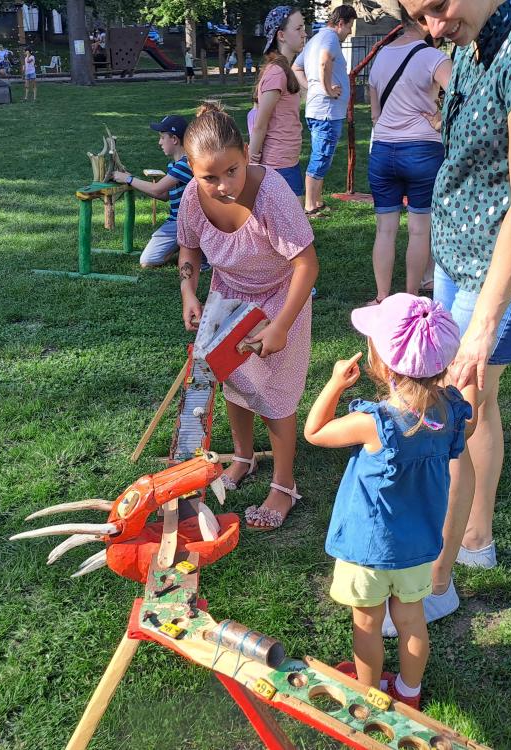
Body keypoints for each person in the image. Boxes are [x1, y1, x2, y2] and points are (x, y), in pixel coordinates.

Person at [387, 0, 511, 629]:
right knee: (478, 405)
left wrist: (481, 327)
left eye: (437, 7)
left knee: (452, 413)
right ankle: (475, 539)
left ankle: (435, 584)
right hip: (461, 258)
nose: (433, 27)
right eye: (419, 17)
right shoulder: (470, 44)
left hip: (508, 272)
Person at [304, 294, 475, 709]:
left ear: (380, 365)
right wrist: (469, 381)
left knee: (367, 624)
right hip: (418, 548)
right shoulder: (451, 415)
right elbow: (470, 425)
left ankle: (369, 697)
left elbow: (314, 431)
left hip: (368, 550)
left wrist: (335, 383)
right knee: (412, 620)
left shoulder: (373, 423)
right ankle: (409, 693)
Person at [177, 101, 319, 531]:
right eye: (210, 177)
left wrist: (281, 326)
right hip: (227, 295)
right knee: (233, 378)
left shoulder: (272, 195)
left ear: (246, 154)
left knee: (274, 392)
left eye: (232, 171)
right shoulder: (192, 197)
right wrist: (188, 291)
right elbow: (189, 249)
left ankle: (284, 484)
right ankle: (243, 457)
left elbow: (306, 264)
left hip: (280, 298)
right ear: (191, 169)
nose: (223, 186)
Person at [365, 9, 450, 303]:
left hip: (383, 150)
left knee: (384, 230)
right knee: (419, 229)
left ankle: (381, 297)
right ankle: (412, 296)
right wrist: (439, 119)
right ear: (426, 19)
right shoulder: (433, 57)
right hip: (422, 151)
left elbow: (374, 113)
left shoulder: (381, 56)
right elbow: (462, 95)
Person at [292, 4, 357, 218]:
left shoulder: (315, 39)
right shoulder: (330, 38)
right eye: (350, 26)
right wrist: (327, 89)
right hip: (326, 112)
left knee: (323, 155)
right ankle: (310, 206)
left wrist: (312, 87)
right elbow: (324, 61)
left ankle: (317, 201)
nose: (350, 32)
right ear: (341, 23)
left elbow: (296, 67)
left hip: (319, 110)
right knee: (320, 157)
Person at [112, 115, 194, 268]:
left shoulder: (184, 164)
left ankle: (188, 247)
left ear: (174, 139)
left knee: (148, 261)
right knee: (148, 259)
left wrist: (128, 179)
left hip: (185, 223)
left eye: (162, 137)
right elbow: (164, 195)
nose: (159, 142)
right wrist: (132, 181)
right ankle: (184, 245)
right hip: (177, 222)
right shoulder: (175, 165)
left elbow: (157, 190)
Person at [248, 6, 307, 199]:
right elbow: (260, 124)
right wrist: (252, 162)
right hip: (278, 166)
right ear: (281, 35)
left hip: (288, 162)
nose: (304, 33)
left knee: (294, 218)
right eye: (298, 28)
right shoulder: (276, 73)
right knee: (292, 219)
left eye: (303, 28)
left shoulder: (284, 70)